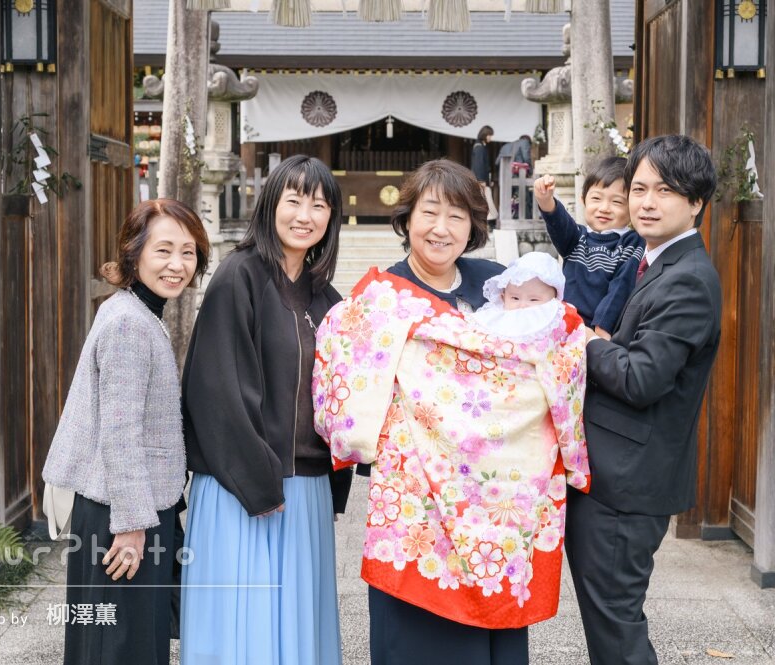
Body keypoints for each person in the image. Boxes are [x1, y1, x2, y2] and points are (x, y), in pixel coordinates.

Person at [313, 159, 591, 665]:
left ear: (474, 227)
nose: (442, 229)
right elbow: (345, 372)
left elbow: (551, 349)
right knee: (415, 636)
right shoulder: (380, 298)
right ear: (407, 219)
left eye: (457, 216)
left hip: (498, 499)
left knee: (490, 632)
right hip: (417, 499)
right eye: (430, 212)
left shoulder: (501, 285)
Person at [179, 155, 353, 665]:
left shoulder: (327, 299)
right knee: (244, 633)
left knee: (298, 630)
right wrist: (258, 483)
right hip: (244, 486)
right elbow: (217, 389)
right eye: (294, 199)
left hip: (306, 487)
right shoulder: (240, 276)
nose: (306, 214)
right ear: (271, 204)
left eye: (319, 204)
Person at [565, 135, 721, 665]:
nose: (646, 202)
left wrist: (585, 341)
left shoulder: (688, 280)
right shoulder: (653, 261)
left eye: (665, 190)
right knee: (609, 618)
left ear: (696, 201)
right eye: (639, 189)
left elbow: (641, 378)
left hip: (627, 483)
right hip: (614, 473)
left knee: (615, 623)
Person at [42, 198, 211, 665]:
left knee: (117, 642)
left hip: (120, 509)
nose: (177, 265)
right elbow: (120, 435)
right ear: (134, 253)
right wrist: (133, 528)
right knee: (121, 647)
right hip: (122, 517)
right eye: (163, 251)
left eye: (189, 251)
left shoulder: (130, 309)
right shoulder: (130, 325)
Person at [534, 156, 646, 339]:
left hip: (597, 333)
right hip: (563, 325)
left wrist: (601, 330)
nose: (604, 208)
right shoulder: (578, 237)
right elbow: (559, 223)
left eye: (617, 202)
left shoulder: (631, 242)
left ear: (632, 207)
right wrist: (546, 200)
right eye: (596, 198)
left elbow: (621, 286)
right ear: (583, 199)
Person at [468, 251, 571, 341]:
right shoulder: (496, 315)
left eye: (534, 300)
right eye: (515, 298)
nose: (523, 305)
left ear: (554, 301)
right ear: (503, 298)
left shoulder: (557, 321)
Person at [470, 125, 498, 225]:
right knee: (484, 199)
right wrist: (481, 180)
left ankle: (489, 218)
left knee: (485, 198)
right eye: (490, 135)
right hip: (480, 179)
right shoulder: (479, 147)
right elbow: (479, 165)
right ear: (485, 135)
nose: (491, 138)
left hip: (481, 179)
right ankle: (489, 219)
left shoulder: (481, 146)